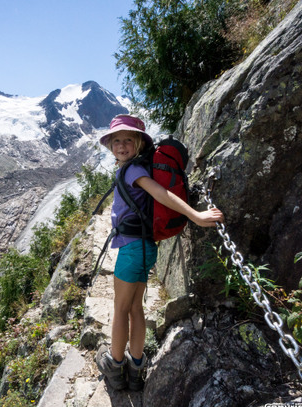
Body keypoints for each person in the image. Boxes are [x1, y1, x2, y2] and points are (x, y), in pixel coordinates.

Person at [95, 114, 224, 391]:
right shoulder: (133, 168)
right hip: (142, 248)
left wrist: (196, 216)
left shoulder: (132, 171)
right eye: (116, 140)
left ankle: (115, 367)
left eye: (128, 139)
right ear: (110, 146)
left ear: (139, 142)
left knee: (120, 309)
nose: (121, 145)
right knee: (134, 308)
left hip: (131, 249)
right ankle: (135, 367)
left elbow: (162, 194)